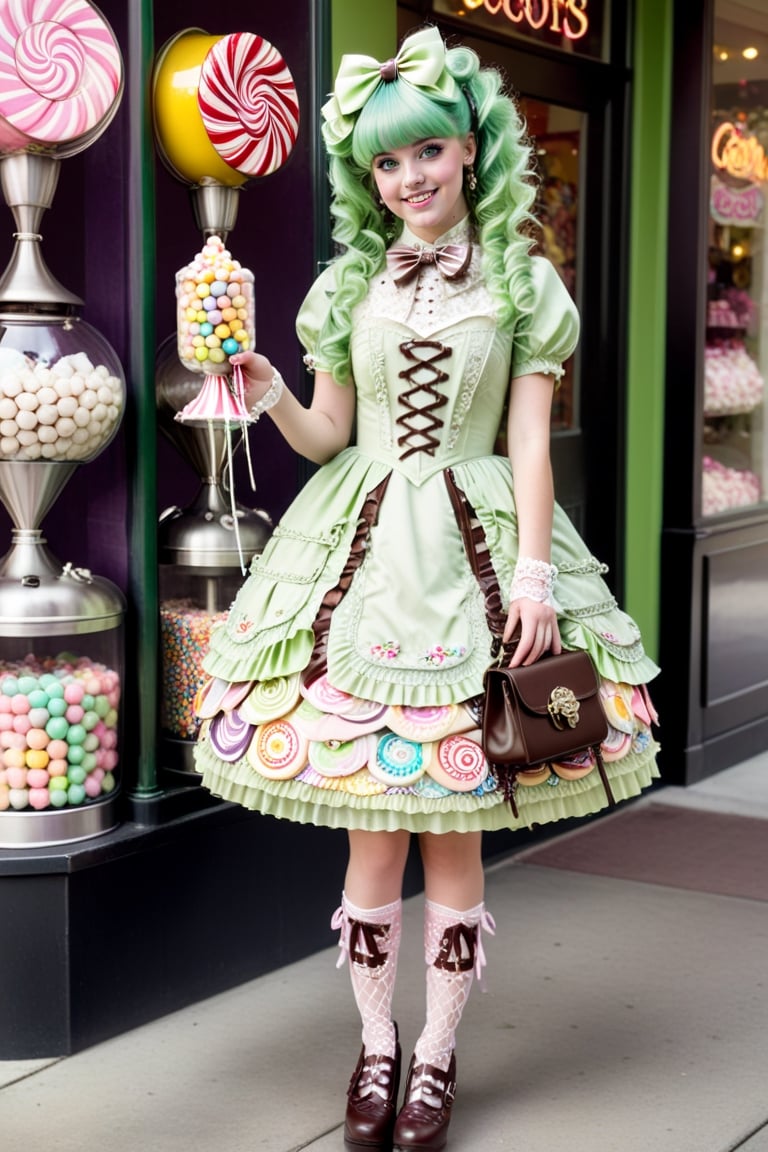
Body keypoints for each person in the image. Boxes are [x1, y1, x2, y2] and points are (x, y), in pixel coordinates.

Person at [193, 25, 660, 1152]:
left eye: (430, 154)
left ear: (471, 153)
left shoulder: (522, 280)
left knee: (455, 824)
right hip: (360, 548)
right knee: (371, 836)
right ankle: (375, 1048)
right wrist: (265, 393)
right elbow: (327, 435)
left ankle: (438, 1057)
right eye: (387, 164)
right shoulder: (345, 283)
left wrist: (537, 573)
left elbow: (534, 444)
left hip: (474, 548)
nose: (408, 180)